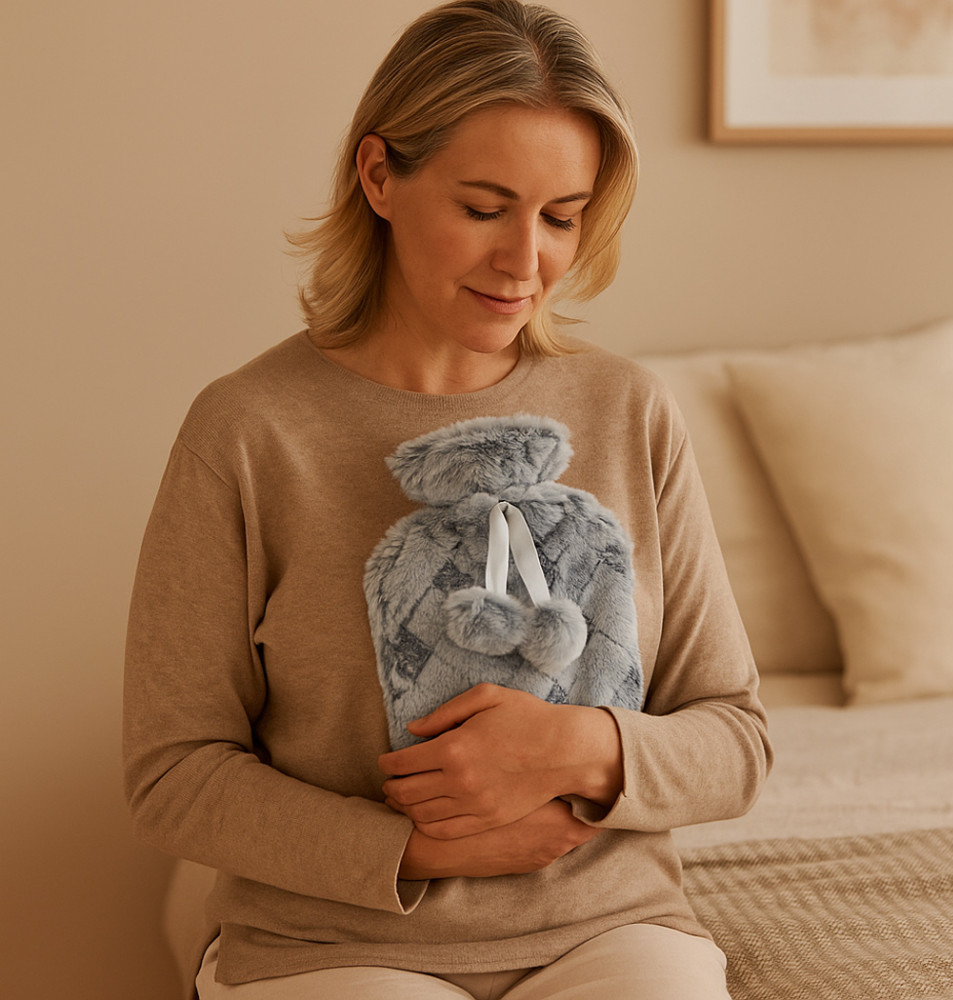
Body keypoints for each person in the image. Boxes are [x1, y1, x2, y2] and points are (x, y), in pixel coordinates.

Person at [123, 2, 771, 998]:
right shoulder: (249, 430)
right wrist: (416, 846)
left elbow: (736, 738)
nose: (526, 261)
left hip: (609, 930)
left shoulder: (627, 411)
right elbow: (172, 773)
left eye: (561, 217)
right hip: (331, 945)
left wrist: (576, 748)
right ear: (379, 175)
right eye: (484, 208)